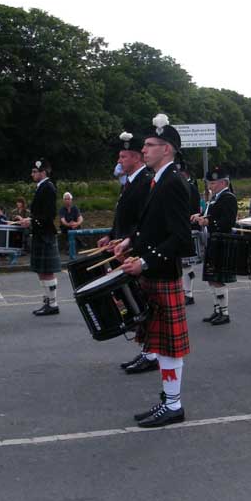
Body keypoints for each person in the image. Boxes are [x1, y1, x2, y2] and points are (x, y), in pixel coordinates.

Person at [115, 113, 193, 428]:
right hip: (152, 271)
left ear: (167, 149)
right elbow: (152, 226)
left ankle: (173, 403)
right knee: (160, 343)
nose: (144, 149)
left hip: (162, 271)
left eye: (150, 145)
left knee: (169, 344)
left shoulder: (173, 182)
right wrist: (129, 242)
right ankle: (168, 399)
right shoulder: (157, 179)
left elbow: (180, 237)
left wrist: (145, 261)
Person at [100, 131, 157, 375]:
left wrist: (126, 241)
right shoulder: (131, 181)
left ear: (136, 157)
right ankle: (146, 350)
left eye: (123, 156)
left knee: (143, 303)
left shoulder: (145, 181)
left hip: (136, 250)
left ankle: (151, 353)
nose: (119, 160)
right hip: (124, 246)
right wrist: (111, 235)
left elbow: (143, 220)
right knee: (135, 303)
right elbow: (123, 215)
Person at [193, 166, 237, 325]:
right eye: (209, 183)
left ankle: (224, 313)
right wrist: (201, 216)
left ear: (224, 182)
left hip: (221, 242)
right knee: (211, 278)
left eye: (213, 183)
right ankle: (217, 309)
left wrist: (209, 221)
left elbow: (228, 221)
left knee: (217, 279)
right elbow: (214, 215)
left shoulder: (228, 197)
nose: (210, 186)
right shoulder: (216, 197)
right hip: (213, 241)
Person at [18, 159, 61, 315]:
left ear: (43, 172)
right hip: (41, 232)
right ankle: (48, 302)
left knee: (47, 271)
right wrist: (30, 220)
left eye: (35, 172)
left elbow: (49, 215)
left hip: (45, 234)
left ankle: (53, 304)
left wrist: (31, 221)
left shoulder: (48, 187)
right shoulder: (42, 187)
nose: (32, 174)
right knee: (42, 271)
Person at [177, 157, 201, 306]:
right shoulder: (184, 186)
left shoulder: (190, 187)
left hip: (188, 228)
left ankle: (188, 293)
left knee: (186, 264)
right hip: (182, 228)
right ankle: (186, 292)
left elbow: (190, 210)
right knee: (182, 263)